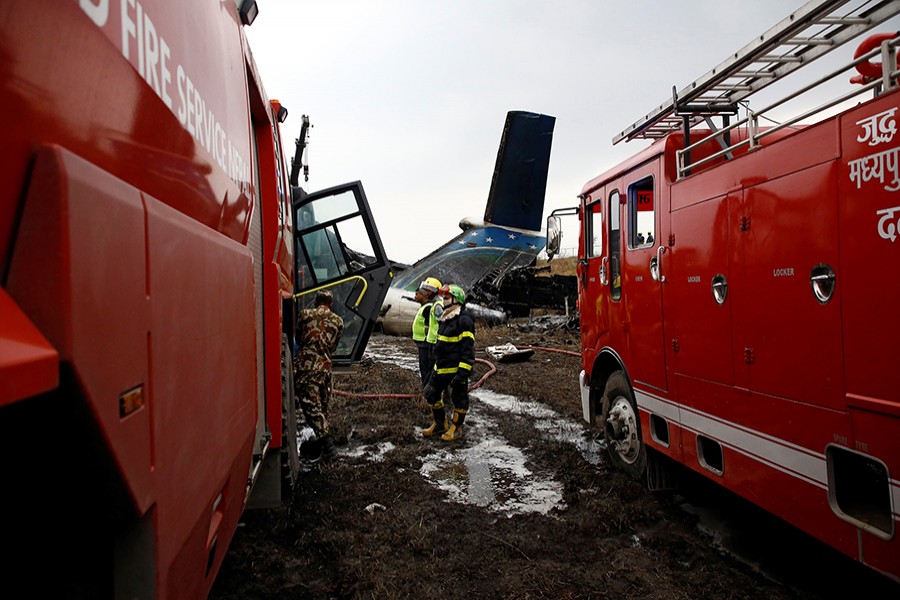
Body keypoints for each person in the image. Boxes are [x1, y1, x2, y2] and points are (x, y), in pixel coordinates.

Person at [294, 289, 344, 461]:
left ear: (316, 302)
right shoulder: (338, 321)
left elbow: (299, 339)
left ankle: (329, 448)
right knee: (322, 407)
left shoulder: (305, 314)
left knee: (311, 408)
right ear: (330, 304)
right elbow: (334, 347)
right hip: (325, 369)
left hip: (307, 368)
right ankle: (322, 443)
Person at [421, 284, 475, 441]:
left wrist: (462, 374)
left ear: (456, 299)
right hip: (440, 368)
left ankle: (455, 428)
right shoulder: (445, 317)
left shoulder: (464, 320)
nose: (443, 300)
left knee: (459, 400)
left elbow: (468, 350)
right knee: (430, 393)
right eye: (442, 297)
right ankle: (440, 424)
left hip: (455, 370)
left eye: (446, 298)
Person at [411, 277, 442, 386]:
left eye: (428, 290)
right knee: (425, 367)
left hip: (428, 342)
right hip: (427, 341)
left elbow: (438, 324)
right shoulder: (432, 305)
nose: (426, 292)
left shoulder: (435, 306)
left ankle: (429, 390)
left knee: (427, 368)